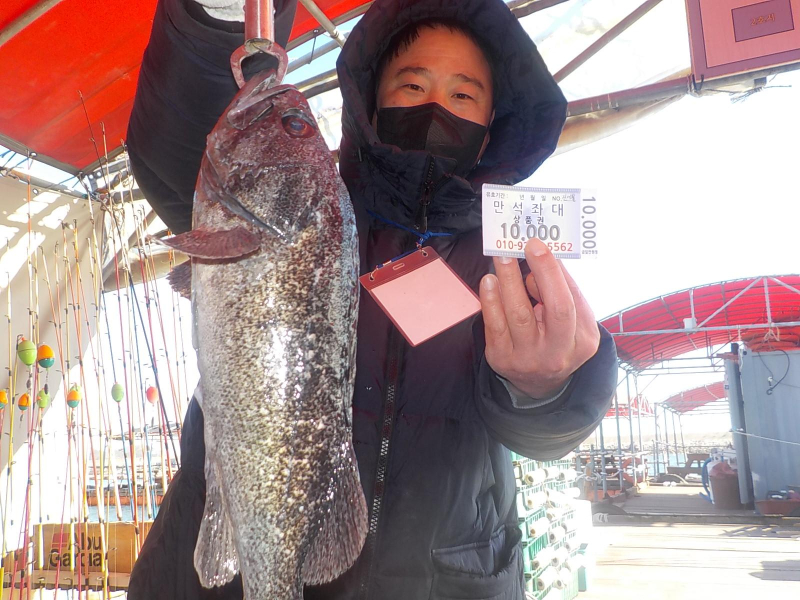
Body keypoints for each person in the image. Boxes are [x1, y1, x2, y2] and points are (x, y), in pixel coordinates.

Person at [126, 0, 618, 599]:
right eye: (413, 85)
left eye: (464, 95)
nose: (436, 107)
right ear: (371, 102)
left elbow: (547, 435)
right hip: (227, 567)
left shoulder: (511, 261)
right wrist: (217, 21)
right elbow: (179, 145)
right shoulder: (311, 203)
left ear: (493, 122)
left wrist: (545, 388)